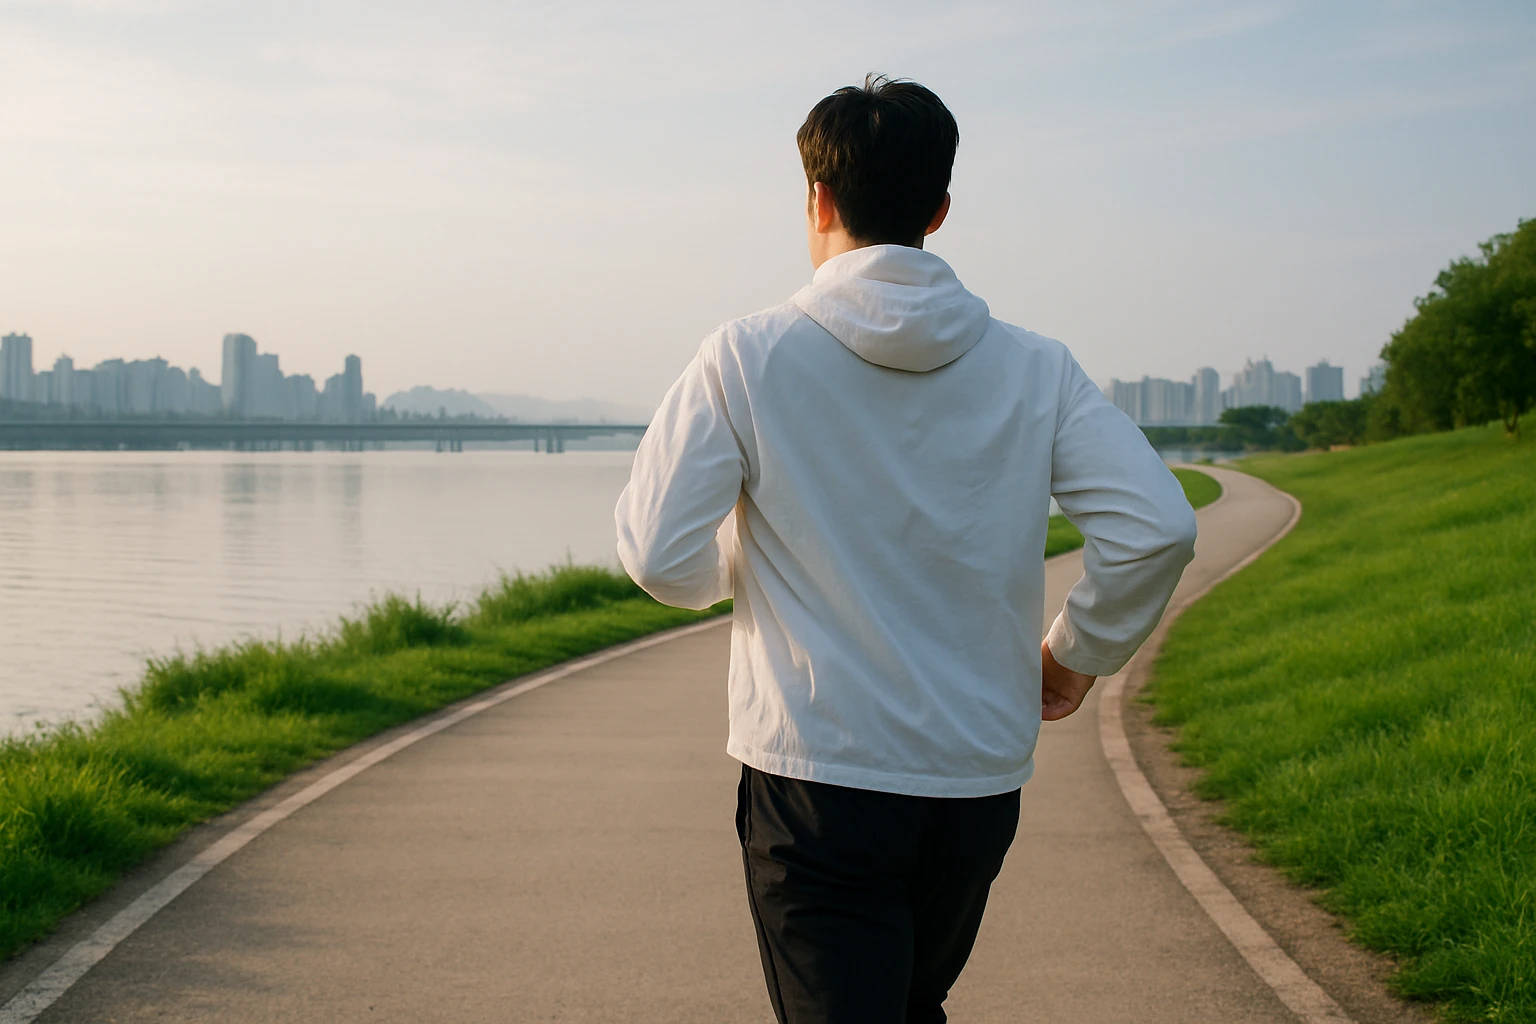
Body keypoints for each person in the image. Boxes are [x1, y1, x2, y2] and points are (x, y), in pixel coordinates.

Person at [615, 74, 1197, 1024]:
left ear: (818, 198)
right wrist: (1074, 654)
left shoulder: (746, 356)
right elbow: (1158, 528)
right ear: (939, 209)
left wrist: (736, 570)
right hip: (973, 781)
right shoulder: (1035, 365)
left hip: (814, 774)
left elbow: (652, 550)